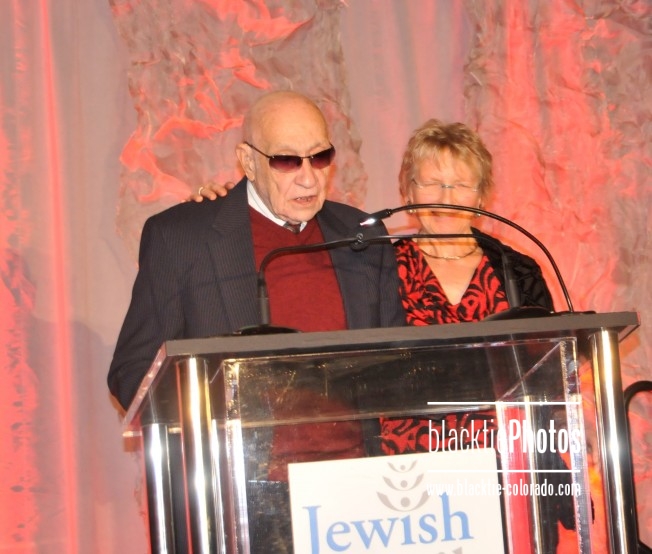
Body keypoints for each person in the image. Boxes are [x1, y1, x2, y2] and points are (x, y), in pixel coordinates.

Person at [108, 90, 405, 411]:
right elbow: (134, 372)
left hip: (353, 446)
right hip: (235, 442)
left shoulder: (362, 235)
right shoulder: (183, 239)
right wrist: (212, 419)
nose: (309, 179)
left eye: (320, 157)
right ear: (249, 162)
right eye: (286, 161)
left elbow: (399, 362)